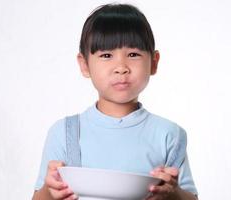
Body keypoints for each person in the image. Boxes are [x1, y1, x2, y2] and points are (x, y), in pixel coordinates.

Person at [32, 3, 198, 200]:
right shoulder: (65, 133)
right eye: (106, 55)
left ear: (153, 63)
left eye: (133, 54)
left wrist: (174, 194)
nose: (121, 67)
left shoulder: (169, 135)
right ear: (84, 65)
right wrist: (50, 191)